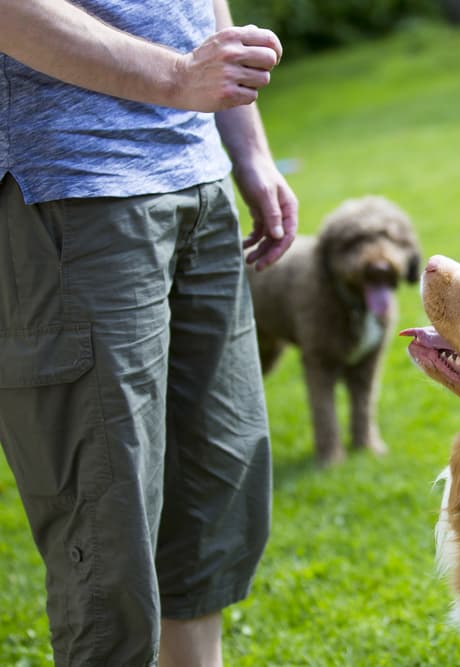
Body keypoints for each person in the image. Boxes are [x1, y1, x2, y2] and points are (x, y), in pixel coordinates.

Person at [0, 0, 298, 665]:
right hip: (75, 189)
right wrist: (176, 78)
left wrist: (245, 145)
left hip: (199, 178)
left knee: (210, 498)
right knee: (108, 524)